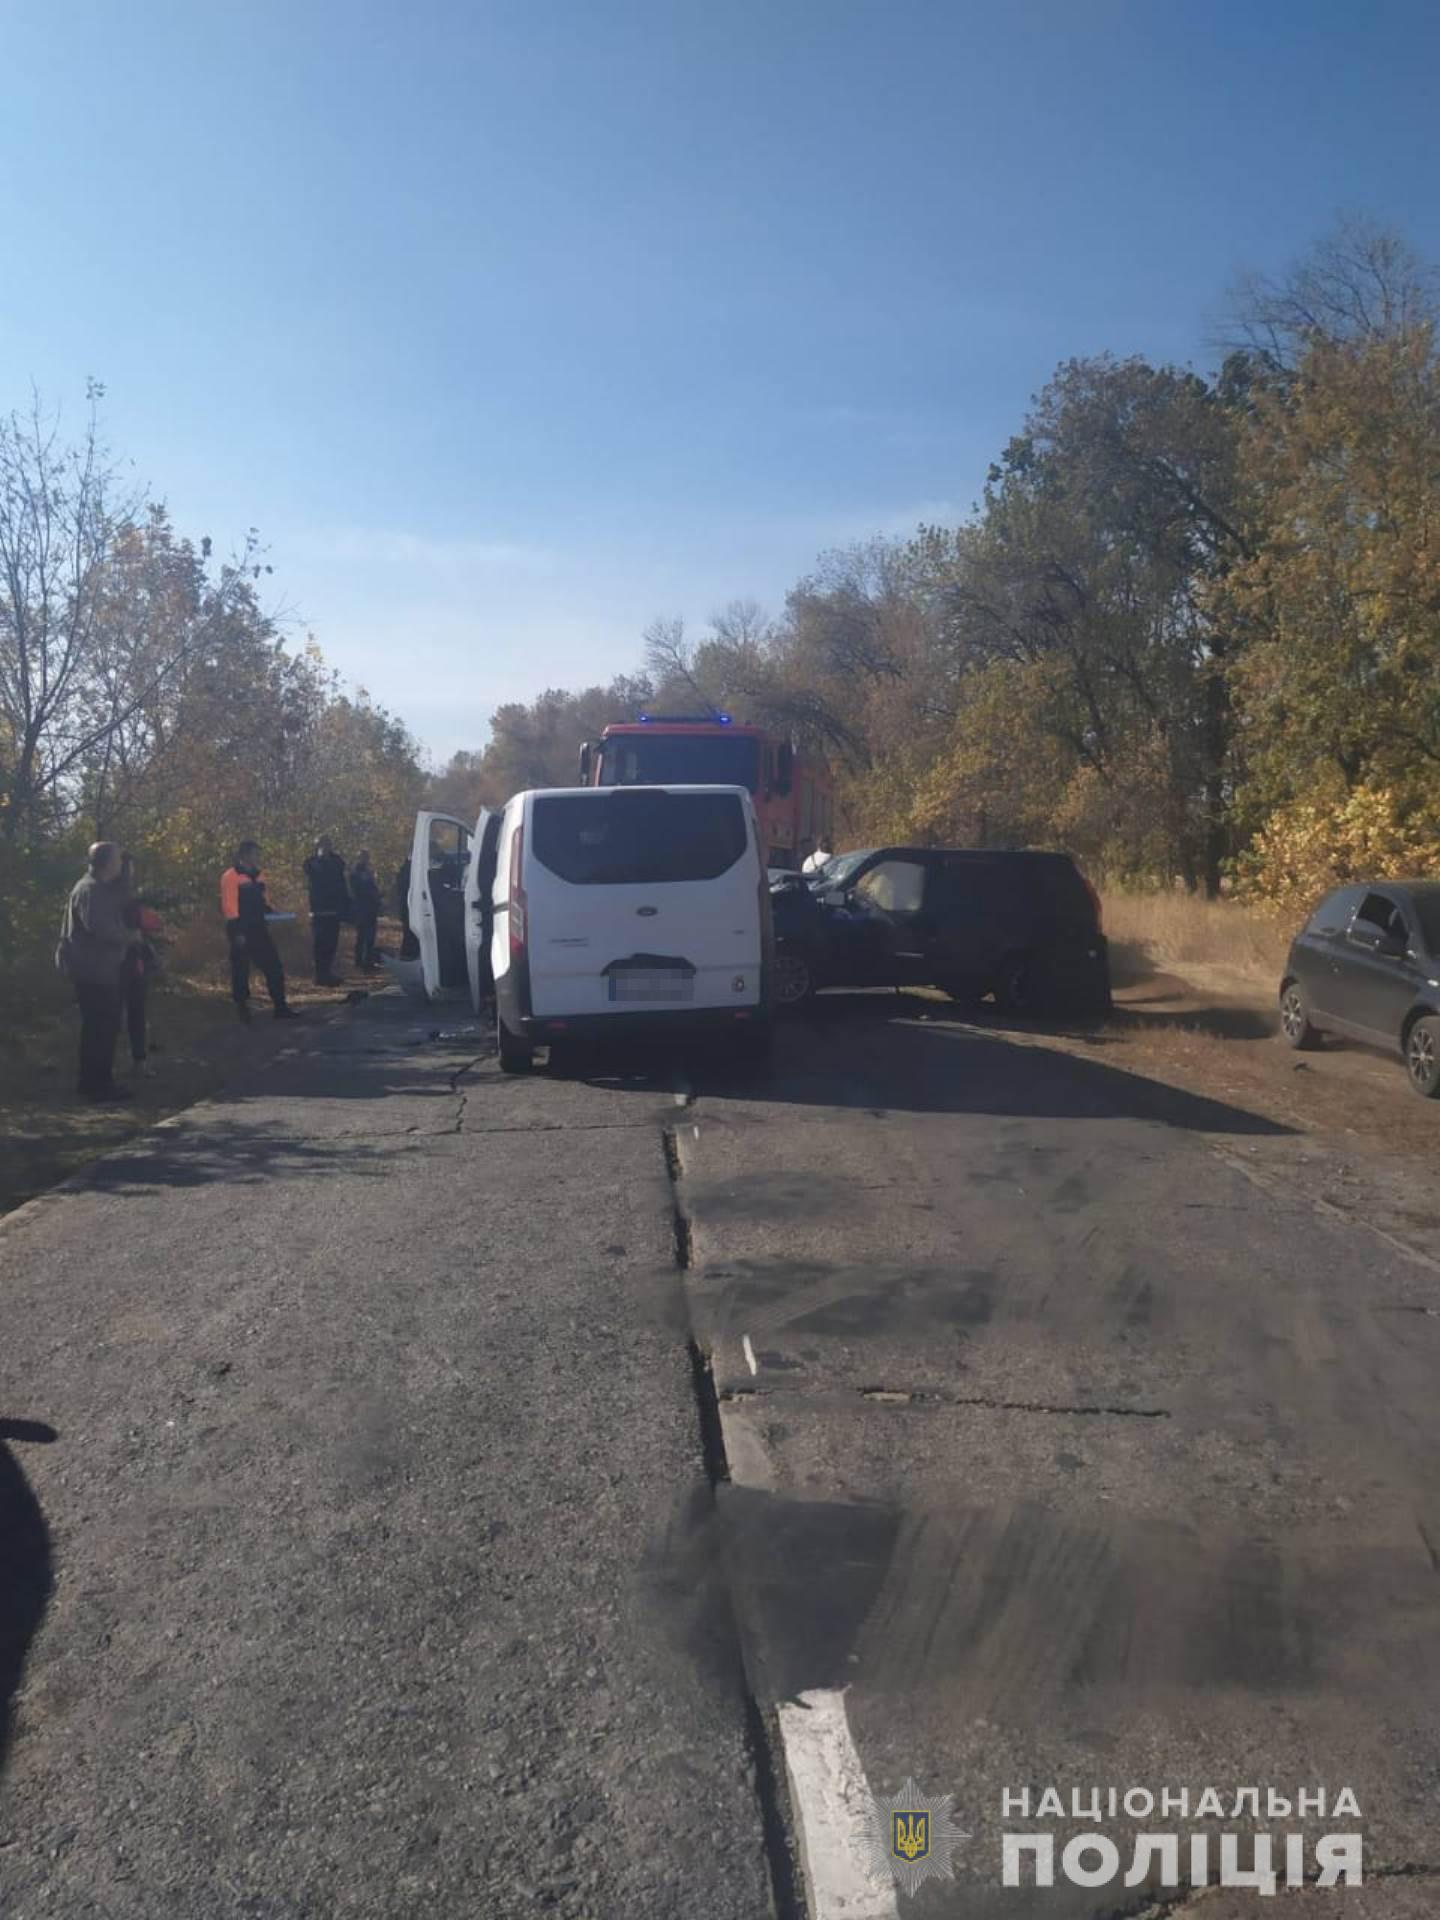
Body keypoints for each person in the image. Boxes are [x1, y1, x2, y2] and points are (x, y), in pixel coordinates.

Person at [57, 842, 135, 1102]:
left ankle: (98, 1082)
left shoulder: (99, 888)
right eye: (118, 859)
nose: (121, 863)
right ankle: (95, 1085)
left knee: (103, 1026)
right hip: (92, 970)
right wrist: (130, 937)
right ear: (107, 863)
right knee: (100, 1027)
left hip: (100, 968)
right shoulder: (90, 890)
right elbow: (100, 928)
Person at [220, 840, 298, 1023]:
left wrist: (273, 913)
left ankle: (280, 1007)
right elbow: (229, 906)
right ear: (244, 855)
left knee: (274, 966)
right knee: (241, 970)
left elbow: (263, 902)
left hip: (259, 928)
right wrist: (238, 932)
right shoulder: (231, 876)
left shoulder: (259, 875)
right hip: (240, 929)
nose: (257, 857)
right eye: (255, 854)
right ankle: (242, 1009)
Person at [115, 855, 163, 1077]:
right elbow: (146, 924)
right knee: (128, 1013)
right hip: (120, 962)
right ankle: (134, 1060)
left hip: (131, 960)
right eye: (129, 869)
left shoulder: (127, 896)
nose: (131, 873)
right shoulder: (116, 896)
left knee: (134, 1012)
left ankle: (138, 1059)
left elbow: (148, 923)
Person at [303, 834, 350, 986]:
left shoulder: (337, 863)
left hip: (334, 909)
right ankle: (320, 974)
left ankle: (328, 973)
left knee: (331, 943)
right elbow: (313, 875)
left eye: (327, 845)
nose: (325, 848)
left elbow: (342, 884)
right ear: (317, 847)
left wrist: (346, 906)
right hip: (319, 910)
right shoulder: (311, 864)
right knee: (319, 944)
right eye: (322, 845)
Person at [349, 850, 382, 971]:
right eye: (363, 857)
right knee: (362, 935)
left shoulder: (368, 871)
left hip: (371, 907)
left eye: (367, 857)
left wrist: (377, 895)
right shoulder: (356, 871)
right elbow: (359, 889)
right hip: (362, 907)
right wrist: (371, 894)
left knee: (370, 936)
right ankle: (360, 961)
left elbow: (372, 886)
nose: (366, 859)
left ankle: (368, 960)